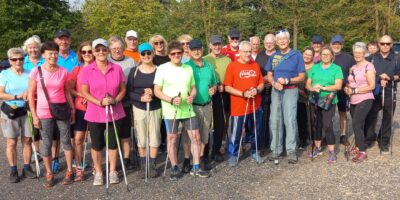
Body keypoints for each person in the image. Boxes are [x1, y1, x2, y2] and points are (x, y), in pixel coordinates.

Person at [154, 41, 210, 180]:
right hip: (170, 110)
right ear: (169, 55)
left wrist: (192, 95)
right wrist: (170, 99)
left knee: (195, 137)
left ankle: (196, 167)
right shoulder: (162, 68)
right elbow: (156, 91)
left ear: (182, 53)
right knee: (172, 139)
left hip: (188, 109)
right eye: (173, 54)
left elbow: (193, 87)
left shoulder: (188, 68)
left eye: (179, 53)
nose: (176, 55)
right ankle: (174, 167)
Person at [28, 41, 75, 187]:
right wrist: (35, 116)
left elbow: (67, 92)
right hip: (43, 112)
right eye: (50, 53)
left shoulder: (63, 72)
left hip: (62, 110)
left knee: (66, 141)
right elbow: (31, 94)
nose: (53, 56)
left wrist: (72, 109)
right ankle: (49, 173)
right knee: (47, 143)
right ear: (43, 55)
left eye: (55, 53)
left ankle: (69, 170)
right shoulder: (37, 71)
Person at [80, 38, 127, 186]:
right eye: (98, 50)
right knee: (97, 144)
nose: (101, 52)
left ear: (108, 51)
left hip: (115, 111)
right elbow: (84, 92)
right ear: (93, 52)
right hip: (95, 112)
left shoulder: (117, 68)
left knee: (113, 143)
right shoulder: (87, 70)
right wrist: (99, 102)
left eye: (104, 49)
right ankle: (99, 172)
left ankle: (113, 171)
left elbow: (123, 89)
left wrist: (115, 100)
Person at [265, 29, 305, 164]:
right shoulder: (274, 56)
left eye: (284, 39)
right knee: (275, 120)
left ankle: (291, 150)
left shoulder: (296, 55)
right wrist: (273, 82)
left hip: (290, 90)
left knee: (290, 119)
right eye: (279, 39)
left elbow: (302, 76)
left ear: (288, 41)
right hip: (276, 91)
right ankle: (275, 149)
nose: (282, 41)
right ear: (276, 42)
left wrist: (288, 81)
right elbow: (269, 73)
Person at [224, 41, 264, 167]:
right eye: (245, 52)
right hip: (239, 106)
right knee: (236, 133)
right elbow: (227, 87)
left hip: (255, 105)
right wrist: (242, 94)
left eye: (249, 51)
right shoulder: (232, 66)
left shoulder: (255, 65)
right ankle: (233, 155)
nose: (247, 54)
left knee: (255, 131)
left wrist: (256, 90)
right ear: (240, 52)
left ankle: (255, 151)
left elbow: (261, 83)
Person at [0, 48, 36, 183]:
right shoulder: (4, 74)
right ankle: (13, 170)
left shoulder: (30, 73)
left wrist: (29, 91)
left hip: (26, 110)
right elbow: (0, 93)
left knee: (27, 140)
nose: (18, 61)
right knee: (11, 142)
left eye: (21, 59)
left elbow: (35, 88)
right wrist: (16, 96)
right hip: (9, 111)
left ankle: (27, 168)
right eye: (14, 59)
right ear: (9, 60)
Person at [182, 39, 218, 172]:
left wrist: (213, 89)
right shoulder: (186, 67)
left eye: (198, 49)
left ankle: (201, 159)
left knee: (204, 134)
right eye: (193, 49)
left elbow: (214, 83)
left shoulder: (209, 66)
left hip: (207, 105)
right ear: (189, 51)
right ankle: (187, 160)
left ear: (202, 50)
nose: (196, 52)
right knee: (189, 135)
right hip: (191, 106)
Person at [127, 43, 161, 178]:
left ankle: (151, 164)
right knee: (141, 136)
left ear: (152, 54)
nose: (146, 56)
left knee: (154, 136)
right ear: (139, 56)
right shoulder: (133, 71)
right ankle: (143, 164)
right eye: (143, 54)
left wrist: (153, 92)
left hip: (155, 107)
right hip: (139, 107)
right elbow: (129, 92)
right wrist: (140, 98)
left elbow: (163, 89)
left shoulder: (160, 70)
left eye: (148, 53)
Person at [306, 46, 343, 163]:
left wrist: (323, 87)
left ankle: (332, 151)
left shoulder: (336, 68)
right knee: (316, 124)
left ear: (332, 56)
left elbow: (338, 86)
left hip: (329, 100)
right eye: (323, 54)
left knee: (327, 125)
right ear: (320, 55)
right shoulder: (314, 67)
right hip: (315, 98)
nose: (325, 56)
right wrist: (312, 88)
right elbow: (308, 84)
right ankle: (317, 148)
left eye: (327, 54)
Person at [365, 35, 400, 153]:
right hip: (374, 92)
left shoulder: (396, 58)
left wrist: (389, 78)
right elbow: (364, 73)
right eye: (383, 43)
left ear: (391, 45)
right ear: (378, 44)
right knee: (371, 116)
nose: (385, 46)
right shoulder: (371, 58)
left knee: (387, 117)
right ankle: (369, 139)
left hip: (389, 92)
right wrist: (378, 77)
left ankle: (384, 141)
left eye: (388, 44)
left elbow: (399, 75)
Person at [52, 29, 79, 173]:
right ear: (55, 40)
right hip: (56, 99)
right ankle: (55, 159)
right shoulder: (51, 56)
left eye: (66, 39)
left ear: (70, 40)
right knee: (56, 133)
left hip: (74, 96)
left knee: (73, 132)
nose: (63, 41)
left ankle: (75, 159)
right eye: (60, 39)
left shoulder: (77, 57)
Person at [108, 36, 136, 170]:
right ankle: (113, 158)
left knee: (126, 132)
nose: (117, 51)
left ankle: (126, 158)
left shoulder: (131, 61)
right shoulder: (106, 60)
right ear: (110, 49)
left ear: (123, 48)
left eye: (119, 48)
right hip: (110, 101)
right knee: (113, 132)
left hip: (126, 100)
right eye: (114, 48)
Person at [344, 42, 375, 162]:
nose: (357, 54)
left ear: (364, 53)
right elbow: (350, 83)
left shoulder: (369, 66)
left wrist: (355, 90)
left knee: (356, 124)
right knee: (358, 125)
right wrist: (347, 89)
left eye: (360, 52)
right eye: (355, 52)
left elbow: (371, 86)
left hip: (365, 98)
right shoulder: (353, 67)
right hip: (353, 99)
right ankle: (358, 146)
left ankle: (362, 152)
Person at [203, 35, 232, 162]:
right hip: (208, 93)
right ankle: (205, 152)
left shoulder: (227, 60)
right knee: (207, 124)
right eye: (214, 45)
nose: (217, 47)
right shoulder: (205, 59)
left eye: (219, 44)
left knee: (221, 123)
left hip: (222, 92)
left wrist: (224, 86)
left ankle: (216, 151)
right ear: (210, 46)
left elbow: (231, 77)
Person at [68, 41, 94, 181]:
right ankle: (79, 166)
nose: (87, 54)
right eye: (84, 52)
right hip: (80, 108)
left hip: (96, 107)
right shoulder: (77, 70)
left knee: (96, 139)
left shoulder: (99, 69)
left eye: (90, 51)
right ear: (80, 54)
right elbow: (70, 89)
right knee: (78, 139)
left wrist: (91, 97)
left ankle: (97, 165)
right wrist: (81, 95)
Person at [330, 35, 356, 147]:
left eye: (338, 44)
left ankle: (343, 135)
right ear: (331, 44)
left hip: (343, 89)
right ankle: (327, 135)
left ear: (342, 45)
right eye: (334, 43)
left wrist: (351, 84)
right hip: (328, 90)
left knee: (343, 113)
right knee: (328, 113)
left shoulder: (348, 58)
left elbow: (354, 72)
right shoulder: (326, 56)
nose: (336, 45)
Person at [22, 35, 44, 161]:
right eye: (30, 48)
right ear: (26, 48)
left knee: (43, 126)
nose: (33, 50)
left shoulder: (44, 60)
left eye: (35, 47)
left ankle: (43, 150)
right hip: (29, 99)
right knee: (32, 127)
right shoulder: (22, 61)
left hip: (42, 98)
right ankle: (36, 151)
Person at [255, 33, 276, 153]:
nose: (269, 44)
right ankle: (263, 144)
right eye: (267, 42)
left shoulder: (279, 56)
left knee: (276, 118)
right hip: (263, 90)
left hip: (276, 89)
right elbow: (256, 73)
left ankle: (278, 143)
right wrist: (263, 80)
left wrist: (271, 79)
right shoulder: (260, 56)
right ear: (264, 43)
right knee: (263, 118)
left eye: (271, 42)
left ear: (275, 42)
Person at [149, 34, 170, 153]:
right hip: (156, 92)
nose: (159, 45)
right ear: (153, 45)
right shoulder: (151, 59)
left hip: (168, 92)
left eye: (161, 42)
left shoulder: (169, 57)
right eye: (156, 43)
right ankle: (159, 142)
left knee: (166, 119)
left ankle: (167, 142)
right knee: (157, 121)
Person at [297, 47, 315, 149]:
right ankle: (302, 139)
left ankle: (314, 138)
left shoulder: (315, 67)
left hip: (310, 96)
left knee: (312, 119)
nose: (307, 56)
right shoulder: (298, 65)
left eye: (309, 55)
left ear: (313, 57)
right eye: (305, 54)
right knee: (301, 119)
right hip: (298, 97)